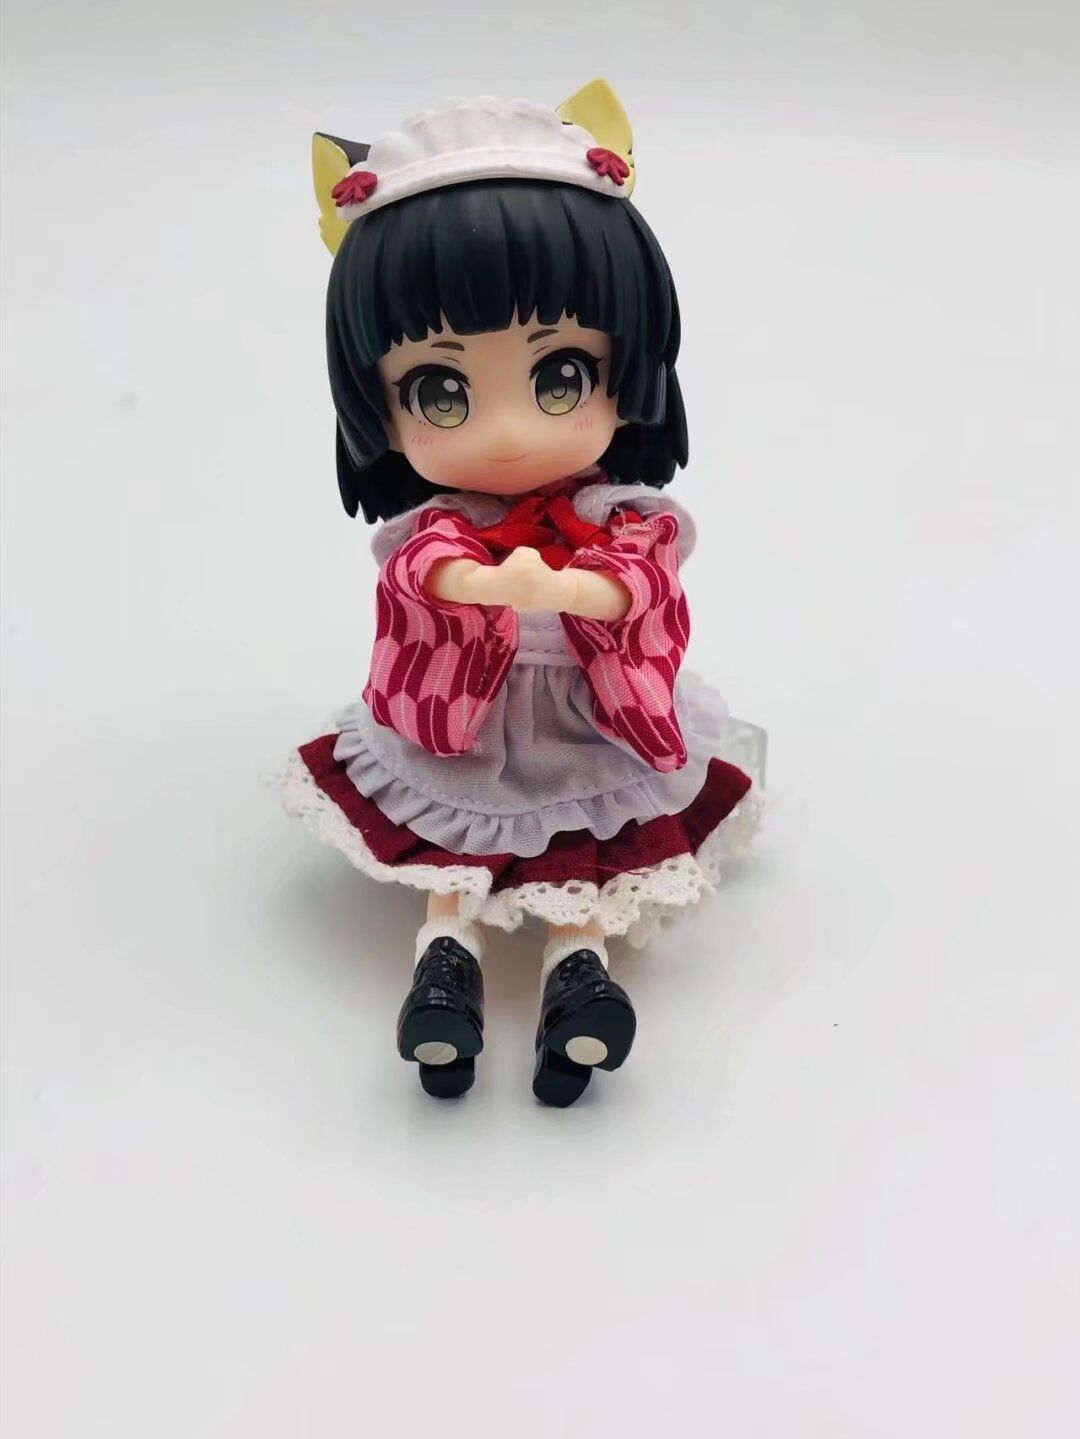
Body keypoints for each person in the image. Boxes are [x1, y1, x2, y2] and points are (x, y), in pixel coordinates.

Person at [278, 81, 763, 1106]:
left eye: (560, 378)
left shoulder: (619, 515)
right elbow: (418, 567)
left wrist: (581, 589)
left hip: (588, 725)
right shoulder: (445, 523)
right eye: (441, 390)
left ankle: (577, 970)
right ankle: (445, 961)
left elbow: (643, 579)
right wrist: (481, 580)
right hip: (466, 725)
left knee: (585, 848)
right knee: (450, 840)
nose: (506, 433)